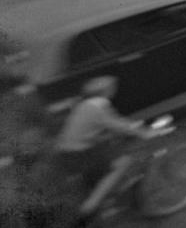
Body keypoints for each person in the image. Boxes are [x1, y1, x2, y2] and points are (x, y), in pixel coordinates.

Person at [51, 74, 149, 215]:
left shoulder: (83, 104)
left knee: (104, 154)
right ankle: (90, 205)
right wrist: (145, 132)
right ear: (108, 91)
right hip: (78, 153)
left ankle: (104, 201)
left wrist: (120, 130)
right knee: (123, 163)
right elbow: (119, 125)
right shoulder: (99, 106)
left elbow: (100, 126)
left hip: (64, 149)